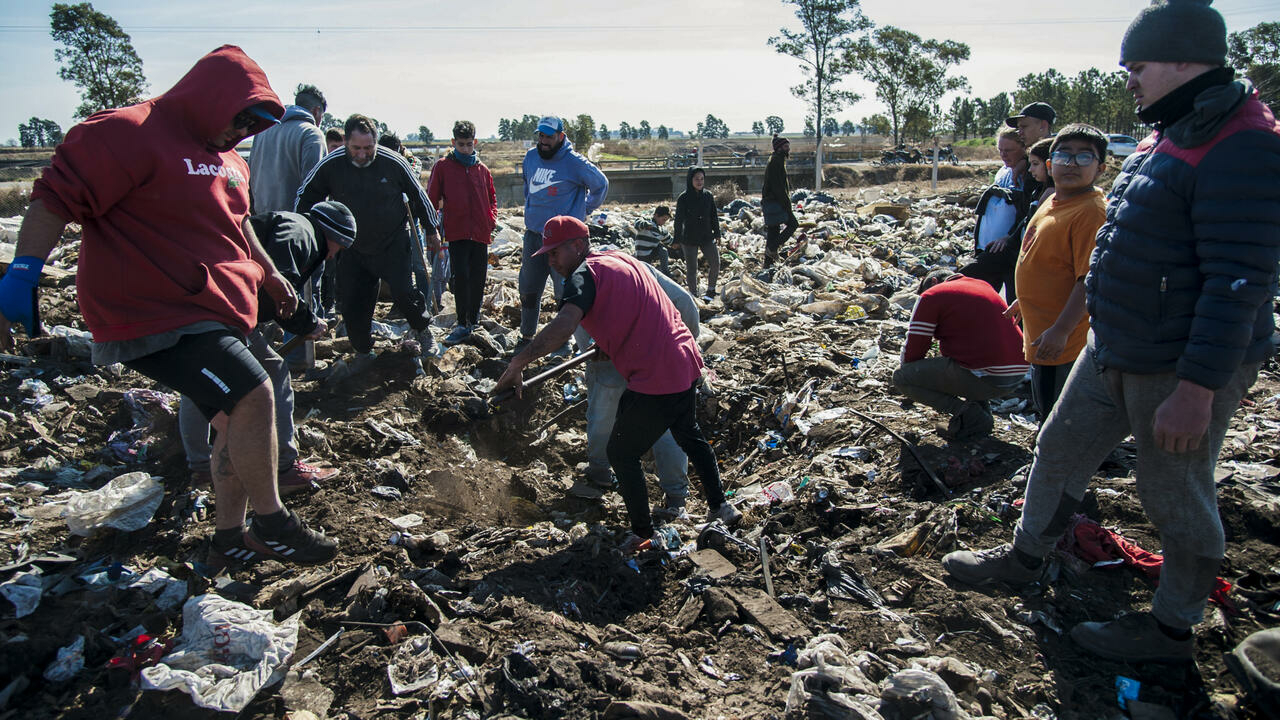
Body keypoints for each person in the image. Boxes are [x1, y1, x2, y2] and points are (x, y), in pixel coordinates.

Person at [943, 0, 1280, 664]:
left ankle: (1170, 631)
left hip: (1176, 360)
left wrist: (1197, 388)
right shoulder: (1170, 130)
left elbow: (1239, 278)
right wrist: (1059, 316)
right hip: (1115, 345)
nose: (1129, 77)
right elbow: (1121, 249)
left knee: (1174, 492)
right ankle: (1024, 556)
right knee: (1059, 446)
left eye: (1139, 65)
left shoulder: (1243, 143)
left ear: (1187, 60)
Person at [0, 45, 338, 567]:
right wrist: (24, 271)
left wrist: (269, 275)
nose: (241, 131)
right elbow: (53, 196)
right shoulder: (128, 132)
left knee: (236, 416)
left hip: (216, 308)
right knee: (254, 393)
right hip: (152, 310)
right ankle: (275, 524)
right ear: (211, 97)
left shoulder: (228, 160)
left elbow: (239, 222)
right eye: (239, 118)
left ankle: (229, 537)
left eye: (253, 125)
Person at [494, 216, 741, 551]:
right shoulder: (620, 259)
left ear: (578, 246)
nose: (551, 260)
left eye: (556, 253)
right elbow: (643, 307)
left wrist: (519, 361)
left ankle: (643, 534)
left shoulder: (583, 276)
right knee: (689, 436)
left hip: (656, 374)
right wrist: (609, 345)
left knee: (621, 453)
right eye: (547, 254)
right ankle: (721, 507)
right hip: (684, 360)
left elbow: (564, 325)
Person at [179, 202, 356, 495]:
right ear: (334, 237)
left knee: (197, 381)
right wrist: (307, 323)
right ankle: (284, 467)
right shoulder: (301, 232)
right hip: (226, 306)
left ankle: (200, 467)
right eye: (340, 246)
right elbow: (279, 282)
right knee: (273, 371)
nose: (336, 253)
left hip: (203, 297)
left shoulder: (291, 226)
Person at [295, 113, 441, 363]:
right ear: (346, 143)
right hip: (352, 247)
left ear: (375, 143)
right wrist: (308, 232)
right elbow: (304, 198)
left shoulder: (393, 162)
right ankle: (364, 351)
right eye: (356, 148)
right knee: (352, 304)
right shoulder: (331, 165)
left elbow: (419, 196)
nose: (362, 154)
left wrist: (431, 229)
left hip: (392, 242)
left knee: (405, 293)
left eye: (368, 148)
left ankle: (423, 331)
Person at [1007, 124, 1109, 418]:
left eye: (1084, 157)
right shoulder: (1053, 200)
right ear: (1050, 166)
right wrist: (1024, 300)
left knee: (1062, 415)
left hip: (1064, 340)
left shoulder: (1090, 212)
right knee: (1047, 404)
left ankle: (1061, 464)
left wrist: (1062, 330)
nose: (1072, 164)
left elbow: (1089, 279)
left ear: (1100, 168)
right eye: (1064, 156)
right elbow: (1043, 256)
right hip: (1043, 330)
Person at [893, 269, 1029, 440]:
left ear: (934, 281)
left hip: (990, 375)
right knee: (963, 364)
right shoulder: (981, 285)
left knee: (901, 377)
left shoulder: (932, 295)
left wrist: (914, 377)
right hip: (1017, 373)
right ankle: (982, 416)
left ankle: (969, 416)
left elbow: (914, 348)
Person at [516, 116, 608, 349]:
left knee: (564, 291)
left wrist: (585, 208)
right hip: (535, 235)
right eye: (541, 135)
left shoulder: (574, 162)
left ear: (561, 137)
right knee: (528, 287)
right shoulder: (531, 158)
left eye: (549, 136)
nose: (544, 141)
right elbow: (528, 188)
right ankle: (526, 336)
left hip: (564, 242)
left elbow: (601, 184)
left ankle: (563, 343)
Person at [427, 120, 497, 345]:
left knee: (478, 277)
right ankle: (462, 322)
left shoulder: (482, 170)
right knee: (461, 278)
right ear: (453, 142)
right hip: (457, 232)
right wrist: (432, 229)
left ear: (475, 142)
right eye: (461, 144)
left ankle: (473, 319)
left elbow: (492, 198)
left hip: (480, 232)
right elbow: (431, 197)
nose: (465, 149)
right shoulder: (443, 167)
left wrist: (491, 219)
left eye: (469, 144)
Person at [958, 126, 1027, 302]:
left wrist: (1009, 237)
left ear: (1024, 148)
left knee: (1011, 302)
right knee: (980, 299)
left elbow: (1027, 214)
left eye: (1009, 150)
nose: (1004, 155)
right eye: (1000, 150)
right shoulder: (1003, 171)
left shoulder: (1029, 175)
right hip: (988, 244)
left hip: (1008, 249)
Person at [247, 83, 327, 213]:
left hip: (259, 221)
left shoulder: (263, 131)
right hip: (292, 224)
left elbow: (249, 177)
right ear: (316, 111)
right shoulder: (311, 134)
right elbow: (314, 189)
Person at [674, 167, 722, 300]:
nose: (699, 182)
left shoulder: (708, 196)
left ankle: (711, 290)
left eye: (702, 179)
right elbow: (678, 221)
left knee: (715, 263)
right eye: (696, 179)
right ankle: (693, 294)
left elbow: (714, 216)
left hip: (706, 235)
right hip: (689, 237)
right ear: (690, 180)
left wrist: (717, 233)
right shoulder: (683, 198)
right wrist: (676, 240)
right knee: (692, 268)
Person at [761, 134, 798, 268]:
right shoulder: (776, 162)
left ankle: (767, 263)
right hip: (775, 202)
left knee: (773, 231)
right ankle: (772, 248)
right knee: (793, 224)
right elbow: (778, 187)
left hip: (771, 201)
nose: (788, 149)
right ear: (779, 148)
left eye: (788, 146)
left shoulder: (776, 159)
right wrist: (787, 205)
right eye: (785, 146)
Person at [632, 205, 673, 276]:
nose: (664, 222)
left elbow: (669, 241)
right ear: (656, 215)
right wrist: (645, 225)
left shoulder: (662, 230)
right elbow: (637, 223)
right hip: (641, 254)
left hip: (651, 254)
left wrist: (679, 243)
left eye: (665, 220)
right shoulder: (647, 221)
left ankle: (665, 272)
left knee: (663, 250)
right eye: (663, 219)